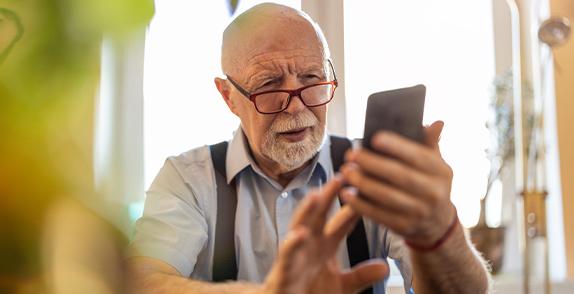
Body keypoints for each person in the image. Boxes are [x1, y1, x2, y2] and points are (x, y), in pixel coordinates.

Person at [123, 3, 491, 294]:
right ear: (229, 97)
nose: (297, 107)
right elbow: (138, 282)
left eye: (312, 79)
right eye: (269, 84)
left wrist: (438, 230)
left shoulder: (376, 172)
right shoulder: (189, 180)